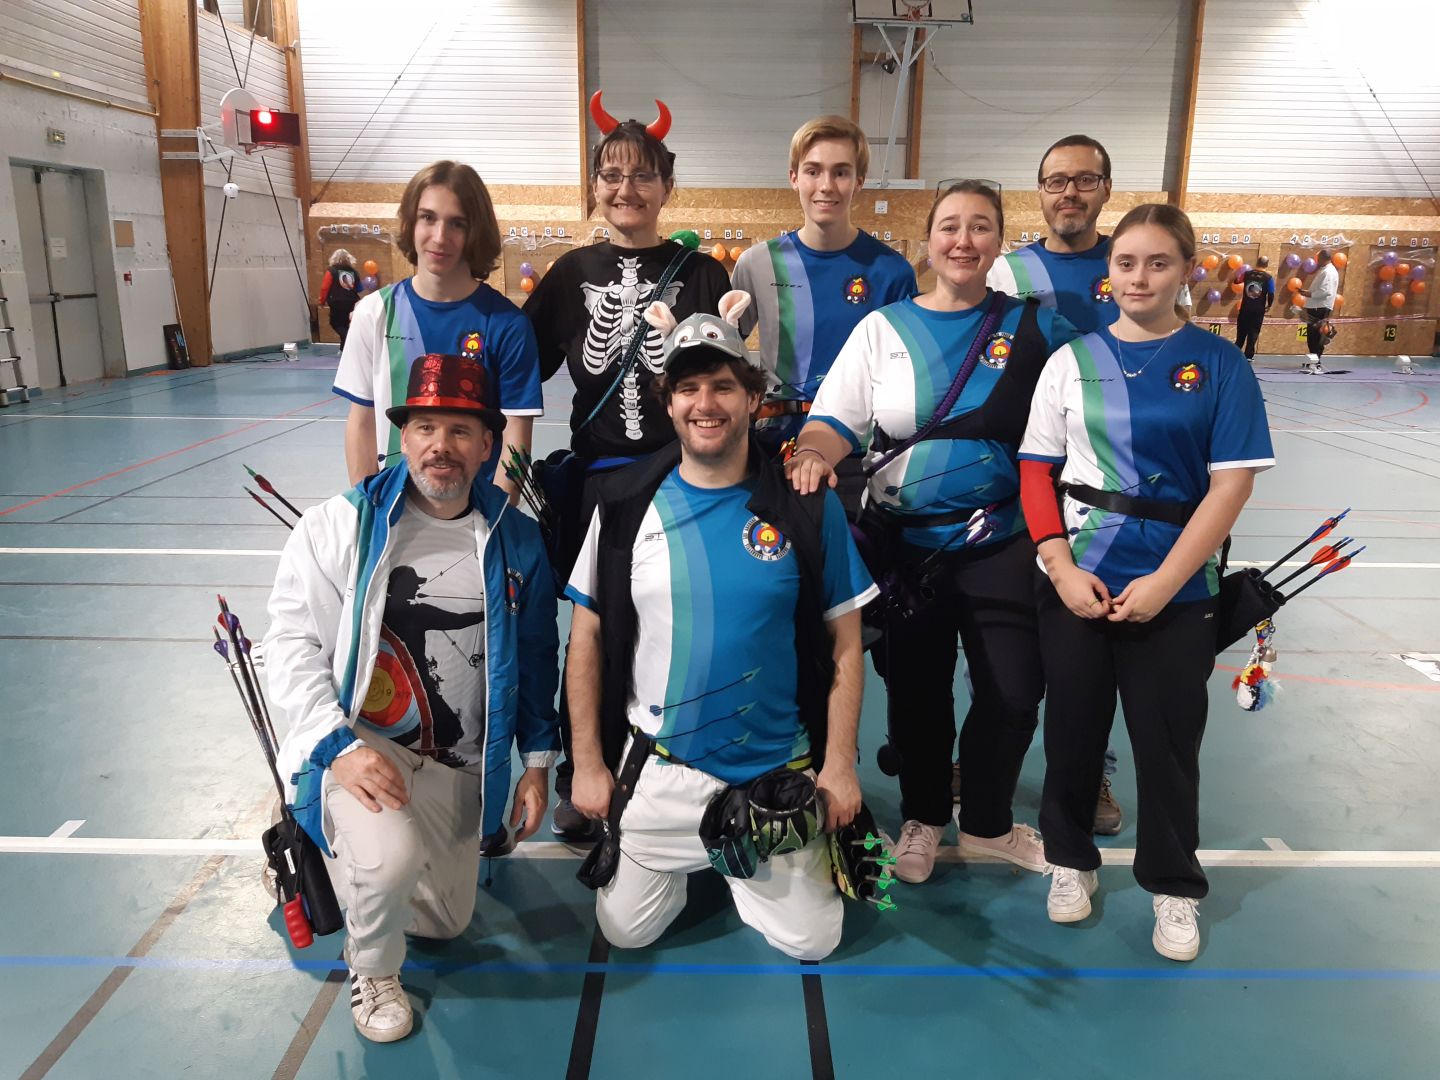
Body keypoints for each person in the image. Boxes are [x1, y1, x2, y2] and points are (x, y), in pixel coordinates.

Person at [564, 295, 876, 960]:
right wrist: (587, 763)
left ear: (754, 399)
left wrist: (840, 767)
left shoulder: (806, 506)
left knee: (813, 942)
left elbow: (847, 646)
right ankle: (708, 859)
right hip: (661, 770)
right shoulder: (622, 504)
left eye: (723, 386)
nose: (705, 403)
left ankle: (747, 867)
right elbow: (585, 638)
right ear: (668, 401)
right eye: (688, 388)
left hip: (775, 774)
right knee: (625, 933)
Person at [788, 181, 1079, 886]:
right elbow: (834, 420)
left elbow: (1094, 402)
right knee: (918, 695)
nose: (963, 240)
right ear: (928, 241)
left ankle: (987, 820)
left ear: (999, 241)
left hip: (1001, 540)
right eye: (950, 226)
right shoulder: (882, 329)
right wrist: (813, 456)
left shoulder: (1039, 329)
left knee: (1013, 693)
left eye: (980, 227)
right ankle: (922, 814)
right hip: (904, 550)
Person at [265, 354, 560, 1042]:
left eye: (460, 431)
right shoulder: (338, 526)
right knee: (388, 863)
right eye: (425, 428)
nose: (440, 446)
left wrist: (537, 763)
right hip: (366, 746)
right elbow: (290, 644)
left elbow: (537, 651)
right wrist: (336, 748)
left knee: (447, 923)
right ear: (402, 437)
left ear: (488, 446)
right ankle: (371, 967)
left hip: (459, 762)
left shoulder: (516, 538)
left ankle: (355, 858)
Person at [1017, 203, 1273, 961]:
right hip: (1078, 581)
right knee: (1071, 733)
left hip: (1177, 590)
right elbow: (1035, 470)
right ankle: (1069, 860)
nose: (1139, 277)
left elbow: (1230, 486)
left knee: (1167, 745)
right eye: (1126, 263)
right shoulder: (1072, 361)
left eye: (1158, 263)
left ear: (1186, 269)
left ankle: (1172, 884)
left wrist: (1166, 581)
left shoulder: (1220, 364)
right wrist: (1059, 566)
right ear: (1109, 272)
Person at [522, 94, 731, 841]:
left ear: (667, 186)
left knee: (679, 628)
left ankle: (677, 772)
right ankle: (588, 774)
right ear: (595, 186)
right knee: (595, 633)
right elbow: (520, 366)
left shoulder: (701, 274)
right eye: (611, 176)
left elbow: (727, 381)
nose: (625, 189)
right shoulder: (570, 272)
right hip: (602, 486)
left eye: (642, 176)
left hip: (682, 484)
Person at [988, 134, 1126, 835]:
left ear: (1106, 188)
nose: (1069, 192)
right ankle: (988, 759)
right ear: (1039, 192)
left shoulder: (1131, 261)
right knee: (1005, 633)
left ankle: (1090, 770)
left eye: (1084, 180)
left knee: (1092, 636)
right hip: (1023, 470)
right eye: (1055, 181)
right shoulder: (1007, 271)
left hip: (1105, 481)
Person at [730, 115, 916, 510]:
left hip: (856, 454)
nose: (826, 185)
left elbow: (904, 376)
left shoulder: (892, 272)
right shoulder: (758, 263)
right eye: (813, 171)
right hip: (773, 447)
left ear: (859, 181)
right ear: (794, 178)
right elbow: (725, 356)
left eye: (841, 172)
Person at [334, 161, 542, 496]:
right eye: (428, 218)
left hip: (476, 512)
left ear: (476, 232)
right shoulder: (373, 314)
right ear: (411, 222)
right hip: (394, 507)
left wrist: (497, 514)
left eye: (457, 223)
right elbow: (361, 422)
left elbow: (515, 440)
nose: (440, 237)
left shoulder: (509, 325)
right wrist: (368, 505)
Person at [1298, 249, 1340, 374]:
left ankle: (1316, 363)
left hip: (1319, 307)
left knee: (1315, 337)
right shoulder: (1325, 270)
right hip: (1317, 306)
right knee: (1313, 337)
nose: (1317, 261)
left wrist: (1309, 294)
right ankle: (1314, 361)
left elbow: (1325, 292)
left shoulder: (1328, 272)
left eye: (1318, 259)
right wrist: (1309, 293)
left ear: (1322, 258)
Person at [319, 248, 362, 349]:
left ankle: (348, 340)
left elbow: (325, 287)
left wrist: (322, 301)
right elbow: (359, 288)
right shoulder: (354, 272)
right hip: (352, 301)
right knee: (346, 324)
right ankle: (343, 348)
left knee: (336, 323)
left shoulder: (331, 271)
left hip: (337, 302)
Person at [1235, 255, 1275, 361]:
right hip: (1258, 310)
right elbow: (1271, 293)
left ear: (1257, 262)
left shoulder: (1247, 274)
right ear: (1267, 265)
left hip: (1245, 308)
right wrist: (1269, 305)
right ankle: (1248, 356)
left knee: (1241, 333)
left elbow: (1236, 281)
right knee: (1253, 333)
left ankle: (1235, 353)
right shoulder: (1268, 278)